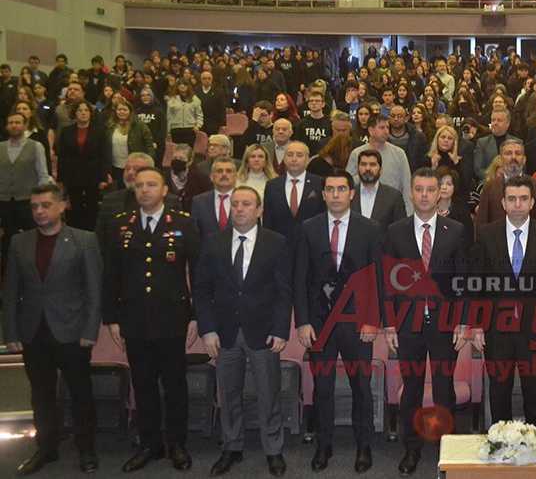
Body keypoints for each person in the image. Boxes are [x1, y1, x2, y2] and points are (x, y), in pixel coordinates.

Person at [103, 167, 201, 472]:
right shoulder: (120, 225)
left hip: (172, 317)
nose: (144, 190)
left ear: (163, 191)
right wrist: (112, 318)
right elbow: (111, 275)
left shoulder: (183, 223)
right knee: (143, 384)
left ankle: (177, 444)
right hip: (134, 317)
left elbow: (198, 274)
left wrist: (196, 317)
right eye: (140, 185)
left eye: (151, 185)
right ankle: (150, 444)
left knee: (174, 385)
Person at [4, 183, 102, 475]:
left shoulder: (85, 240)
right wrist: (10, 332)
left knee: (80, 393)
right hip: (33, 331)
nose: (39, 211)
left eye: (46, 205)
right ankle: (46, 448)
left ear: (62, 206)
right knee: (41, 393)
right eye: (34, 206)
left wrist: (90, 330)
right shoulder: (18, 242)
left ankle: (87, 450)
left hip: (72, 330)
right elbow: (10, 291)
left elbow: (94, 290)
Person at [193, 187, 290, 477]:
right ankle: (231, 447)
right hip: (224, 332)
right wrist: (207, 329)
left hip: (263, 332)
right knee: (229, 393)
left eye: (246, 204)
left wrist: (281, 329)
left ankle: (273, 450)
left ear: (259, 210)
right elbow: (201, 290)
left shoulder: (277, 243)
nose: (239, 209)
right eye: (235, 204)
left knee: (268, 393)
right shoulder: (213, 243)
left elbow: (284, 292)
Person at [295, 169, 383, 473]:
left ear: (351, 194)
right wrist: (303, 321)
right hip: (319, 324)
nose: (335, 194)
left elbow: (377, 279)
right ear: (323, 194)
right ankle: (324, 445)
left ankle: (364, 446)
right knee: (323, 386)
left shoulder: (370, 229)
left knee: (361, 386)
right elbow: (301, 279)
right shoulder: (308, 228)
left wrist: (373, 320)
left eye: (341, 189)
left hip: (358, 323)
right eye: (329, 189)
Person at [383, 168, 468, 476]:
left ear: (439, 193)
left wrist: (463, 321)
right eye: (418, 189)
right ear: (411, 192)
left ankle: (446, 448)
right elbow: (388, 281)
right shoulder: (395, 231)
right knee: (413, 389)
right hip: (408, 325)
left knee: (445, 389)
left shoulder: (456, 230)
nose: (424, 195)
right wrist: (389, 323)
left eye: (430, 190)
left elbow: (463, 279)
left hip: (446, 324)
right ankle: (411, 448)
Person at [472, 175, 536, 429]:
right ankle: (499, 444)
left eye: (523, 199)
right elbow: (477, 282)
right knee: (499, 390)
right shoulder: (487, 234)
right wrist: (477, 325)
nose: (518, 204)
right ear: (503, 203)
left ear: (532, 202)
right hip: (496, 327)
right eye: (512, 199)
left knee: (535, 391)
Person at [1, 112, 53, 272]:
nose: (14, 125)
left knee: (31, 238)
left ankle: (32, 268)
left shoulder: (35, 146)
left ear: (24, 125)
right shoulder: (0, 147)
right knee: (7, 240)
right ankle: (10, 272)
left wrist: (43, 201)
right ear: (6, 126)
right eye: (11, 122)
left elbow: (43, 174)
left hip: (28, 200)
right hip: (3, 201)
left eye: (17, 122)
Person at [56, 101, 108, 230]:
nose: (83, 113)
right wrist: (61, 178)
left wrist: (103, 177)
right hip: (73, 176)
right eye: (80, 110)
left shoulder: (100, 131)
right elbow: (62, 157)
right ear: (75, 113)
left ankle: (91, 233)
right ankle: (75, 232)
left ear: (90, 113)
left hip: (93, 175)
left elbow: (104, 155)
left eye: (86, 110)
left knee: (92, 207)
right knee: (75, 207)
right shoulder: (66, 131)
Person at [346, 114, 413, 214]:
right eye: (382, 127)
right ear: (371, 130)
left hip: (392, 208)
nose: (386, 131)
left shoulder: (399, 154)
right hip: (363, 208)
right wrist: (366, 174)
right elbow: (347, 183)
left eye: (387, 127)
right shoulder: (357, 153)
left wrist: (409, 215)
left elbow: (407, 186)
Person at [262, 141, 325, 241]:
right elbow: (267, 220)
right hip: (280, 245)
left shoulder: (320, 183)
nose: (294, 159)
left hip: (311, 243)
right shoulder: (272, 185)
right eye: (290, 155)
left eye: (299, 155)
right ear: (284, 158)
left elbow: (323, 216)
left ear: (307, 159)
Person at [350, 148, 407, 235]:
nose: (367, 168)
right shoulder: (348, 195)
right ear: (358, 169)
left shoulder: (394, 197)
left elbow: (401, 231)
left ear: (381, 170)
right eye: (363, 164)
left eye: (372, 164)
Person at [190, 157, 238, 237]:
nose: (224, 174)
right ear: (211, 177)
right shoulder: (198, 201)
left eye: (229, 171)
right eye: (219, 171)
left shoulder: (246, 199)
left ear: (236, 176)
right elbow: (194, 233)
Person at [165, 143, 212, 211]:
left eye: (181, 158)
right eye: (175, 158)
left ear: (190, 161)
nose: (177, 160)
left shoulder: (201, 178)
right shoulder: (163, 176)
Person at [473, 108, 515, 181]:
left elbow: (521, 168)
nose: (495, 123)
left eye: (499, 120)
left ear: (507, 123)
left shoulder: (517, 143)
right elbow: (478, 169)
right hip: (488, 183)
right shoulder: (482, 142)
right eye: (493, 120)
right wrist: (493, 178)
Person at [387, 104, 429, 172]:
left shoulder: (418, 137)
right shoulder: (383, 136)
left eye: (399, 116)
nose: (396, 119)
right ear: (389, 118)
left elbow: (424, 162)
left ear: (406, 118)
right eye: (393, 116)